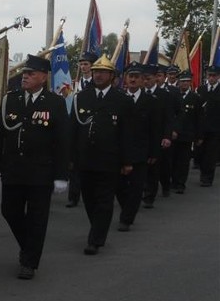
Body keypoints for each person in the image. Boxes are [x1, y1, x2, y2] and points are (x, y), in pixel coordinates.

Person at [0, 54, 69, 279]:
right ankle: (29, 246)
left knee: (37, 217)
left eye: (31, 73)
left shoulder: (54, 103)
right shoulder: (10, 100)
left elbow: (62, 141)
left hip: (40, 172)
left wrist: (61, 175)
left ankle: (29, 262)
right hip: (13, 169)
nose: (25, 77)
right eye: (24, 73)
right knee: (9, 210)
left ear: (43, 77)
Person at [70, 54, 136, 255]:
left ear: (112, 76)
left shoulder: (122, 100)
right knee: (89, 199)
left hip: (110, 159)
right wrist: (70, 157)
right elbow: (73, 129)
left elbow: (127, 133)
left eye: (103, 72)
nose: (98, 75)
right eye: (96, 71)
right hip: (85, 158)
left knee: (105, 200)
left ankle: (96, 239)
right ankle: (97, 226)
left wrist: (127, 161)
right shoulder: (81, 97)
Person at [115, 63, 162, 231]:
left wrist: (154, 152)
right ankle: (128, 207)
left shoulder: (151, 101)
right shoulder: (118, 98)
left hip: (141, 151)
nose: (133, 79)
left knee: (136, 187)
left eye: (137, 77)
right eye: (130, 76)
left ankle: (126, 218)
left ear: (143, 80)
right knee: (119, 186)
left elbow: (155, 128)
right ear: (125, 79)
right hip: (120, 151)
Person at [141, 64, 177, 207]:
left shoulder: (165, 95)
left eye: (148, 78)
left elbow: (169, 118)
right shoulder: (139, 93)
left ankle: (151, 195)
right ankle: (143, 190)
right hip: (142, 137)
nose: (145, 81)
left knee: (156, 167)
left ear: (156, 78)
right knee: (142, 167)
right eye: (143, 79)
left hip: (158, 136)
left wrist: (167, 136)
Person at [66, 52, 98, 207]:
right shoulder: (76, 84)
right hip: (77, 125)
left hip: (91, 127)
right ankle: (73, 196)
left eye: (86, 64)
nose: (83, 67)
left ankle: (90, 194)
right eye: (82, 64)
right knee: (75, 164)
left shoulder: (97, 84)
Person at [171, 71, 201, 192]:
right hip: (173, 134)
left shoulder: (195, 98)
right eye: (182, 81)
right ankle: (173, 180)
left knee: (184, 161)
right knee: (173, 159)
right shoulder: (173, 96)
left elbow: (199, 119)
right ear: (179, 82)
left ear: (190, 83)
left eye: (187, 81)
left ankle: (180, 183)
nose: (184, 84)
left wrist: (199, 136)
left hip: (187, 135)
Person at [197, 64, 220, 187]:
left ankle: (207, 177)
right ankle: (202, 172)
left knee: (211, 154)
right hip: (202, 128)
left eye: (214, 76)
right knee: (200, 152)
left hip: (215, 128)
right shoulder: (201, 89)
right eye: (209, 75)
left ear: (218, 77)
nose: (211, 78)